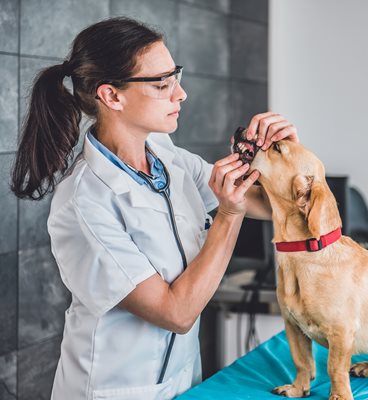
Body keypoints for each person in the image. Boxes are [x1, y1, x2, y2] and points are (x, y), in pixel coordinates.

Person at [10, 17, 299, 400]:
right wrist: (228, 217)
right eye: (163, 84)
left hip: (180, 382)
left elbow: (268, 203)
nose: (181, 95)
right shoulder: (83, 203)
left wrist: (284, 158)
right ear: (112, 96)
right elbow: (175, 313)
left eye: (175, 77)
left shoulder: (166, 157)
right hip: (115, 390)